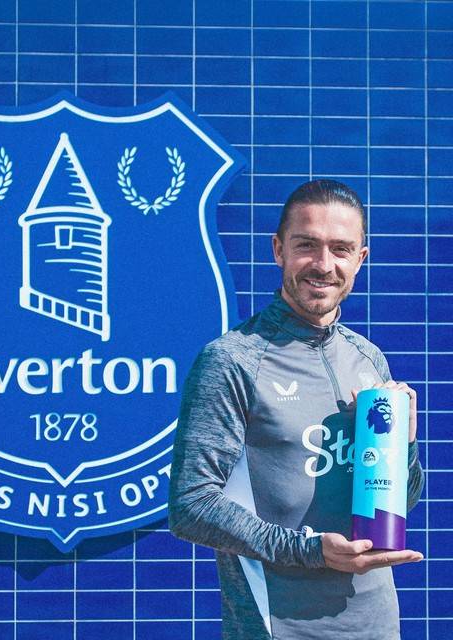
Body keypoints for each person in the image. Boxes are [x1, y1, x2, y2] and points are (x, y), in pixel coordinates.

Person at [168, 179, 425, 639]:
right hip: (276, 627)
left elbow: (398, 503)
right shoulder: (232, 360)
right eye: (307, 245)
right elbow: (191, 505)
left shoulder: (368, 359)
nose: (324, 265)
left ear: (360, 259)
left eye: (341, 249)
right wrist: (310, 550)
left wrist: (403, 448)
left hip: (377, 625)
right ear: (278, 250)